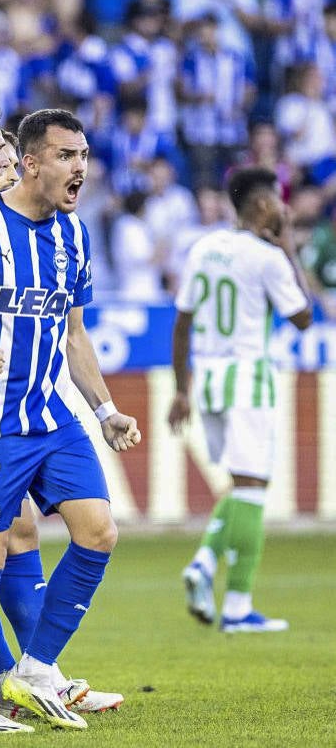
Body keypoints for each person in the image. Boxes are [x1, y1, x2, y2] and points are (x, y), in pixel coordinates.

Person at [0, 108, 141, 732]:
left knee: (99, 531)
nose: (81, 168)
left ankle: (35, 671)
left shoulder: (75, 235)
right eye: (67, 156)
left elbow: (74, 335)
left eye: (84, 155)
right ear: (30, 163)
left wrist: (105, 409)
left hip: (50, 414)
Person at [168, 166, 312, 633]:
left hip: (207, 381)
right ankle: (227, 593)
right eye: (278, 200)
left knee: (242, 488)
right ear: (263, 204)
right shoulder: (267, 257)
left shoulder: (204, 248)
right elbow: (304, 317)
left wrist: (180, 390)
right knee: (252, 493)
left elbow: (182, 322)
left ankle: (219, 583)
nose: (283, 209)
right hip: (248, 379)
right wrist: (287, 246)